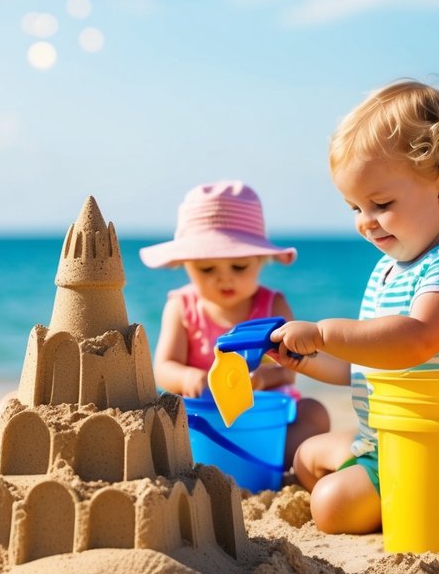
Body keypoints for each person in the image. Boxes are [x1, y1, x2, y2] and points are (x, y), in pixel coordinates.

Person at [269, 79, 439, 534]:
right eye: (354, 207)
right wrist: (307, 360)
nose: (364, 223)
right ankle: (378, 487)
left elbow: (416, 341)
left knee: (330, 506)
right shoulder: (389, 271)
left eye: (379, 204)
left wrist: (323, 333)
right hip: (391, 441)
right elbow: (371, 364)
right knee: (306, 456)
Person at [140, 180, 331, 464]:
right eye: (206, 268)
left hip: (261, 416)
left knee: (314, 413)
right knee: (153, 419)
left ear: (261, 260)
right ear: (184, 265)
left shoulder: (273, 306)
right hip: (204, 418)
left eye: (239, 266)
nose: (224, 277)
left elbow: (288, 373)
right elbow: (163, 367)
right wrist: (188, 377)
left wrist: (262, 379)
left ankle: (280, 460)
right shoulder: (181, 307)